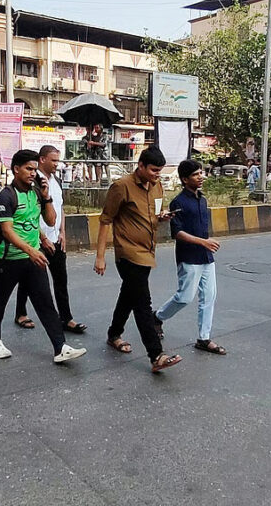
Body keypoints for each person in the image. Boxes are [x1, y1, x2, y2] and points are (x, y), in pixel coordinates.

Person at [0, 149, 87, 364]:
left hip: (33, 258)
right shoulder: (6, 196)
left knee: (45, 302)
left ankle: (60, 347)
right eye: (29, 169)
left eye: (34, 169)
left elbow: (48, 221)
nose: (33, 173)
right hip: (9, 258)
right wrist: (31, 250)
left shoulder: (36, 193)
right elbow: (7, 230)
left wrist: (47, 199)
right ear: (16, 169)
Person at [94, 145, 182, 373]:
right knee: (143, 303)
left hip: (148, 252)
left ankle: (114, 333)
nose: (156, 175)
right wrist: (100, 256)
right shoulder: (121, 187)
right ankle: (156, 354)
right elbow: (105, 220)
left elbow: (153, 214)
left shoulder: (157, 187)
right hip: (128, 253)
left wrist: (162, 217)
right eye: (153, 170)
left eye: (159, 171)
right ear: (140, 165)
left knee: (129, 295)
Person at [154, 160, 226, 355]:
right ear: (185, 179)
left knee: (209, 297)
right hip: (189, 257)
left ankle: (204, 338)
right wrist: (203, 242)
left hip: (206, 257)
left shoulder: (202, 200)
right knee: (185, 297)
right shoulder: (178, 202)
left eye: (201, 173)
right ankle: (158, 317)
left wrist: (206, 244)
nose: (200, 177)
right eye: (196, 174)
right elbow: (177, 232)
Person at [14, 145, 87, 333]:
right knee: (29, 279)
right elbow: (29, 214)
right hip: (37, 240)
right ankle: (21, 313)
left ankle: (66, 318)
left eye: (58, 160)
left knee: (61, 280)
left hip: (56, 238)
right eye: (53, 160)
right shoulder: (33, 182)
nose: (56, 164)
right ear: (42, 159)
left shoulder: (57, 181)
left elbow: (60, 207)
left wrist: (62, 232)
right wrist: (43, 237)